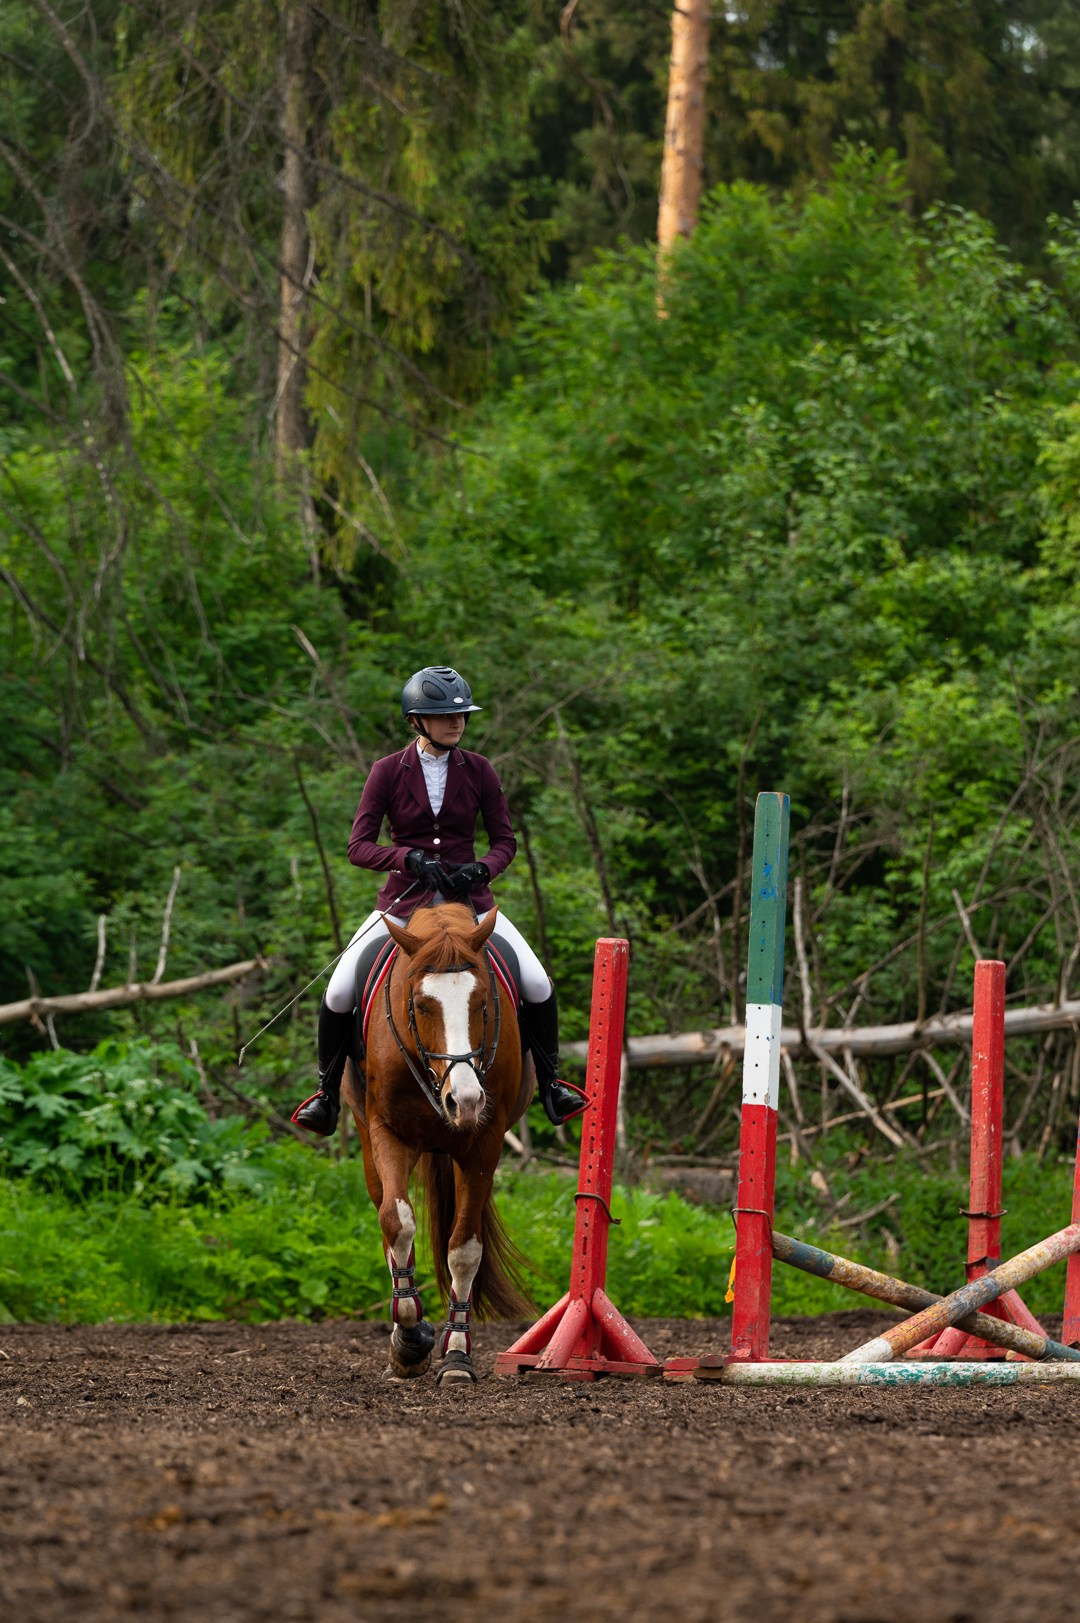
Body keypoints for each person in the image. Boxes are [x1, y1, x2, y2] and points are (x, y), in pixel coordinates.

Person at [292, 665, 587, 1136]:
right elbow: (358, 847)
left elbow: (504, 841)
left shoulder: (480, 769)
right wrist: (406, 859)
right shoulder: (387, 771)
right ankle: (326, 1095)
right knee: (340, 990)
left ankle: (552, 1085)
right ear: (417, 721)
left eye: (462, 715)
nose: (457, 723)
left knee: (536, 982)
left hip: (470, 902)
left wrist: (482, 869)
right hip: (402, 904)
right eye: (445, 716)